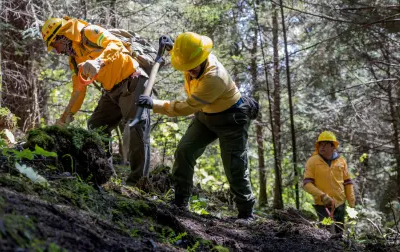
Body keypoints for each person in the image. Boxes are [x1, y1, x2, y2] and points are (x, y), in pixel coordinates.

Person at [136, 32, 255, 222]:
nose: (189, 71)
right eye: (186, 67)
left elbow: (186, 107)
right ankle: (181, 202)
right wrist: (173, 47)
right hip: (205, 116)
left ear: (202, 59)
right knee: (184, 151)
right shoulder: (194, 56)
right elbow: (187, 54)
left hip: (231, 119)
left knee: (234, 166)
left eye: (192, 67)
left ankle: (246, 213)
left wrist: (154, 104)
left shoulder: (214, 78)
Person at [41, 17, 150, 186]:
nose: (56, 51)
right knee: (96, 125)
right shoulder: (74, 59)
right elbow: (78, 89)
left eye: (54, 45)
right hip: (111, 90)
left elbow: (115, 44)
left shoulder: (90, 32)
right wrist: (65, 117)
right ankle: (106, 175)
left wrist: (98, 61)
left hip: (132, 81)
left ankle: (138, 183)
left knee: (135, 128)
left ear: (63, 36)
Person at [303, 131, 355, 235]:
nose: (322, 147)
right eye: (320, 144)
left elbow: (348, 183)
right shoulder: (312, 161)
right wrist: (322, 195)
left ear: (333, 147)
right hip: (323, 205)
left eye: (325, 144)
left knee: (339, 234)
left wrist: (351, 203)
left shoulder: (341, 161)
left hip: (340, 204)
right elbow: (307, 184)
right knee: (326, 235)